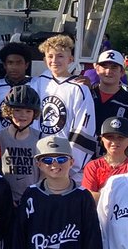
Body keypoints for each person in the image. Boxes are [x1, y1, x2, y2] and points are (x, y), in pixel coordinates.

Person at [32, 35, 96, 181]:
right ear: (44, 60)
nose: (55, 61)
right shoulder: (37, 83)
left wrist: (70, 165)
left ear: (70, 59)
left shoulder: (79, 89)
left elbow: (84, 128)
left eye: (60, 56)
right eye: (50, 56)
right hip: (39, 158)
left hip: (64, 162)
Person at [0, 84, 40, 204]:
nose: (23, 115)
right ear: (8, 111)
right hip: (5, 200)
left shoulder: (40, 138)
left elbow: (44, 174)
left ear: (35, 113)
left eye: (28, 111)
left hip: (32, 199)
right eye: (17, 110)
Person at [91, 49, 128, 142]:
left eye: (114, 67)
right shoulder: (86, 95)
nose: (108, 71)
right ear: (97, 69)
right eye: (104, 66)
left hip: (115, 154)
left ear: (122, 72)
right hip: (83, 154)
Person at [83, 118, 128, 199]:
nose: (114, 141)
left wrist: (101, 195)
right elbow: (89, 197)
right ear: (102, 138)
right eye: (110, 137)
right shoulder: (93, 166)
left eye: (120, 137)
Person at [0, 44, 32, 127]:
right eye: (10, 63)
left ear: (26, 65)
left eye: (19, 63)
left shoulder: (37, 85)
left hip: (28, 138)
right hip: (0, 138)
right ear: (4, 65)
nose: (14, 67)